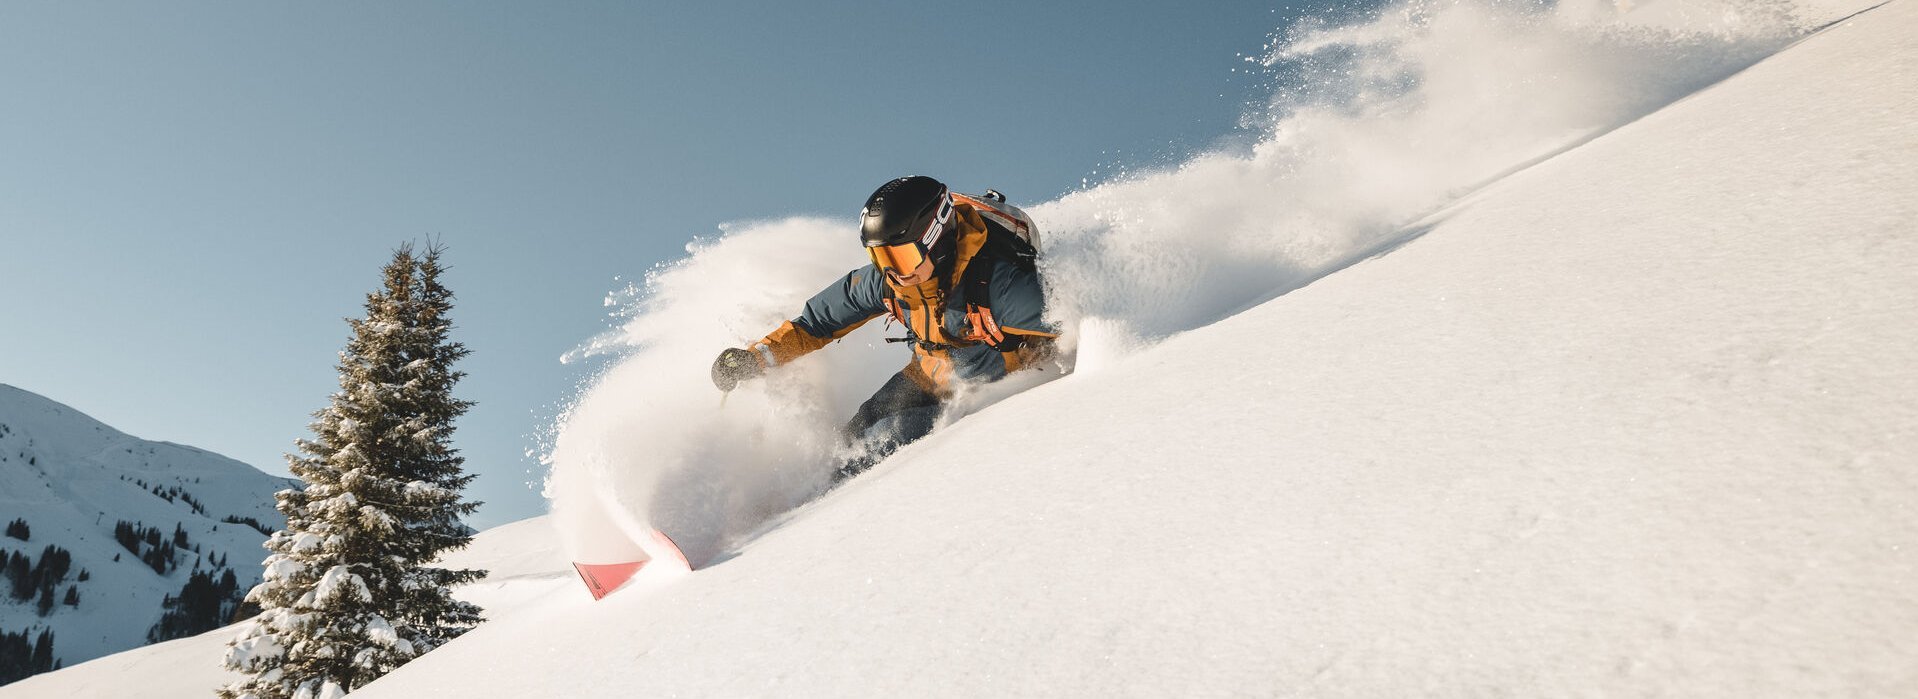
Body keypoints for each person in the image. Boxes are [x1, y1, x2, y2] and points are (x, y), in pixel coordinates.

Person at [711, 175, 1058, 481]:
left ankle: (820, 513)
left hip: (986, 395)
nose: (891, 272)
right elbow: (816, 323)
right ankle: (793, 505)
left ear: (936, 241)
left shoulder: (1004, 291)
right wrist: (756, 358)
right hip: (925, 376)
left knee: (888, 440)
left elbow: (1079, 318)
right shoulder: (889, 282)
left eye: (901, 258)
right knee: (852, 438)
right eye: (881, 258)